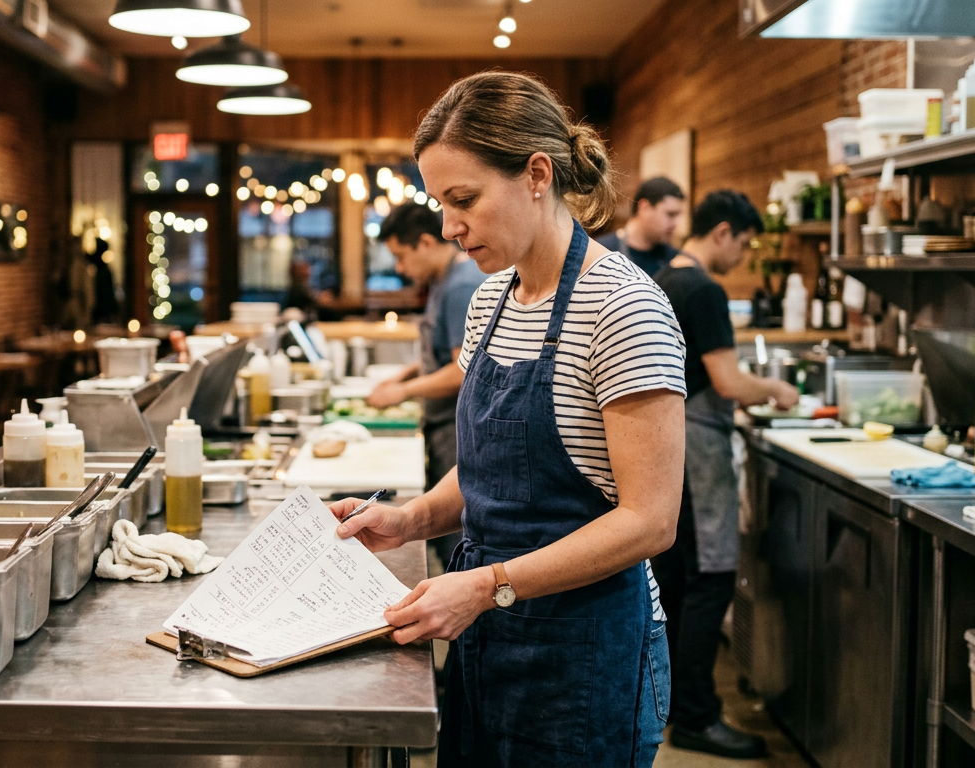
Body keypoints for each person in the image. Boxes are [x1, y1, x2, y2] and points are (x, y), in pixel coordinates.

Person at [331, 71, 687, 767]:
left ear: (536, 174)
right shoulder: (491, 300)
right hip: (488, 636)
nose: (448, 226)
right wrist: (413, 519)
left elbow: (651, 520)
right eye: (440, 203)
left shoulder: (624, 308)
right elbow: (497, 464)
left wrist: (490, 585)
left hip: (584, 650)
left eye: (463, 199)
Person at [649, 190, 799, 760]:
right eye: (742, 242)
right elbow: (731, 382)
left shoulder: (663, 278)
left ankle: (668, 707)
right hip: (697, 455)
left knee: (675, 585)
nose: (741, 254)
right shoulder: (704, 290)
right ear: (721, 233)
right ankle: (696, 716)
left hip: (669, 451)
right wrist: (779, 391)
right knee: (710, 580)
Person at [366, 203, 486, 567]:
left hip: (456, 426)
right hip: (442, 424)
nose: (400, 269)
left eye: (401, 257)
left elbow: (464, 368)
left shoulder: (462, 287)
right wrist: (407, 374)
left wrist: (403, 392)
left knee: (456, 538)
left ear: (424, 243)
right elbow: (448, 349)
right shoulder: (444, 281)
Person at [595, 176, 687, 276]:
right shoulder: (603, 252)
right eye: (670, 214)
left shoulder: (675, 259)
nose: (675, 224)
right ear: (644, 207)